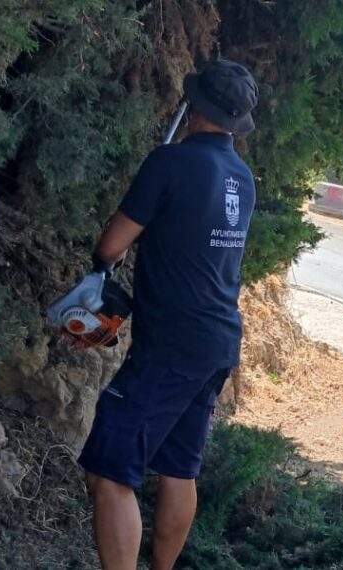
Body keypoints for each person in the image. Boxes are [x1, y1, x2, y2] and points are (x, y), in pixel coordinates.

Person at [77, 60, 259, 570]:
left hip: (170, 347)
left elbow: (111, 245)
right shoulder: (242, 180)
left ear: (193, 106)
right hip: (218, 343)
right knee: (179, 469)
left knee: (110, 473)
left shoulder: (169, 162)